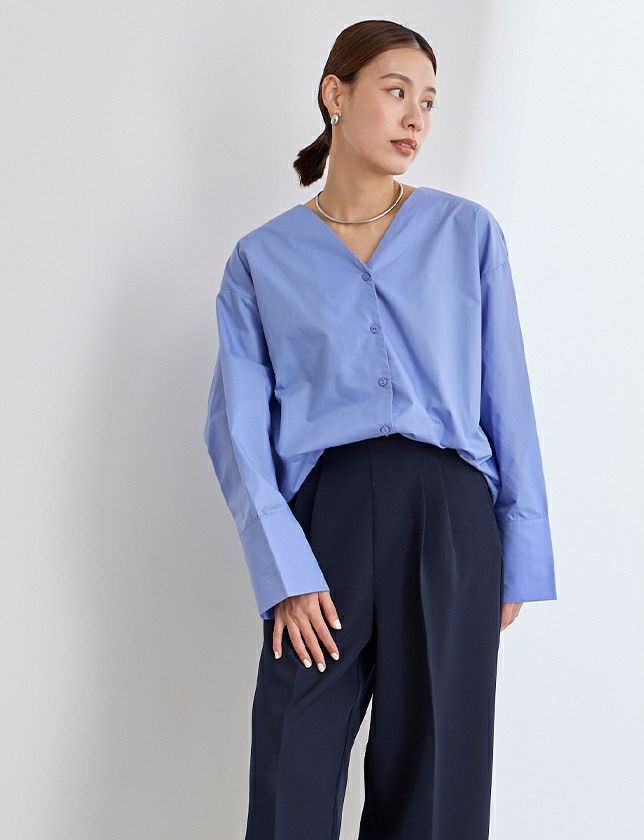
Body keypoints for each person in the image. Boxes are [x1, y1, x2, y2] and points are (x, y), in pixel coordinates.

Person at [203, 18, 557, 840]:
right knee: (290, 771)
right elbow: (236, 430)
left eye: (428, 102)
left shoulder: (467, 233)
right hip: (321, 525)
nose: (415, 118)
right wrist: (283, 568)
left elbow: (507, 398)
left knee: (434, 792)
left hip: (450, 519)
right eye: (396, 92)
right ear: (336, 94)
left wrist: (519, 550)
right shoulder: (261, 260)